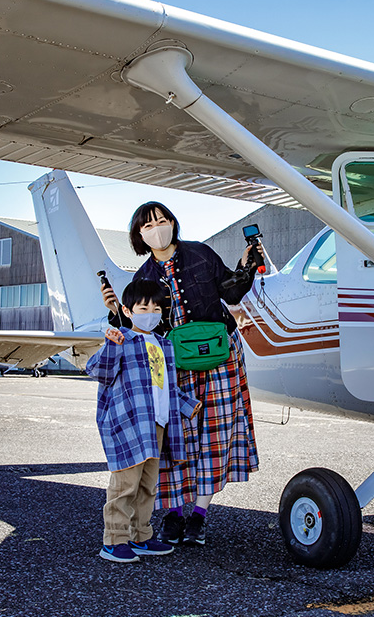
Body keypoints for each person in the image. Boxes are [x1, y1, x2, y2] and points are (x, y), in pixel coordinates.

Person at [102, 202, 261, 546]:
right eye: (148, 225)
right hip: (173, 362)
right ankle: (173, 515)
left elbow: (231, 291)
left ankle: (199, 516)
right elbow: (139, 327)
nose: (157, 228)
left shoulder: (201, 254)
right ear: (139, 235)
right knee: (175, 441)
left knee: (217, 435)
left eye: (162, 220)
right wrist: (117, 312)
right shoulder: (142, 276)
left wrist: (247, 265)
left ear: (173, 223)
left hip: (220, 355)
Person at [86, 279, 201, 563]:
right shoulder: (121, 340)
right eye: (143, 307)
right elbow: (97, 370)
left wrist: (187, 405)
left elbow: (165, 385)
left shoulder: (164, 345)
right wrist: (111, 345)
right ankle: (114, 540)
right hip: (129, 424)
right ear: (128, 310)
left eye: (156, 307)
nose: (150, 312)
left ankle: (141, 536)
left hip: (158, 424)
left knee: (148, 485)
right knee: (125, 484)